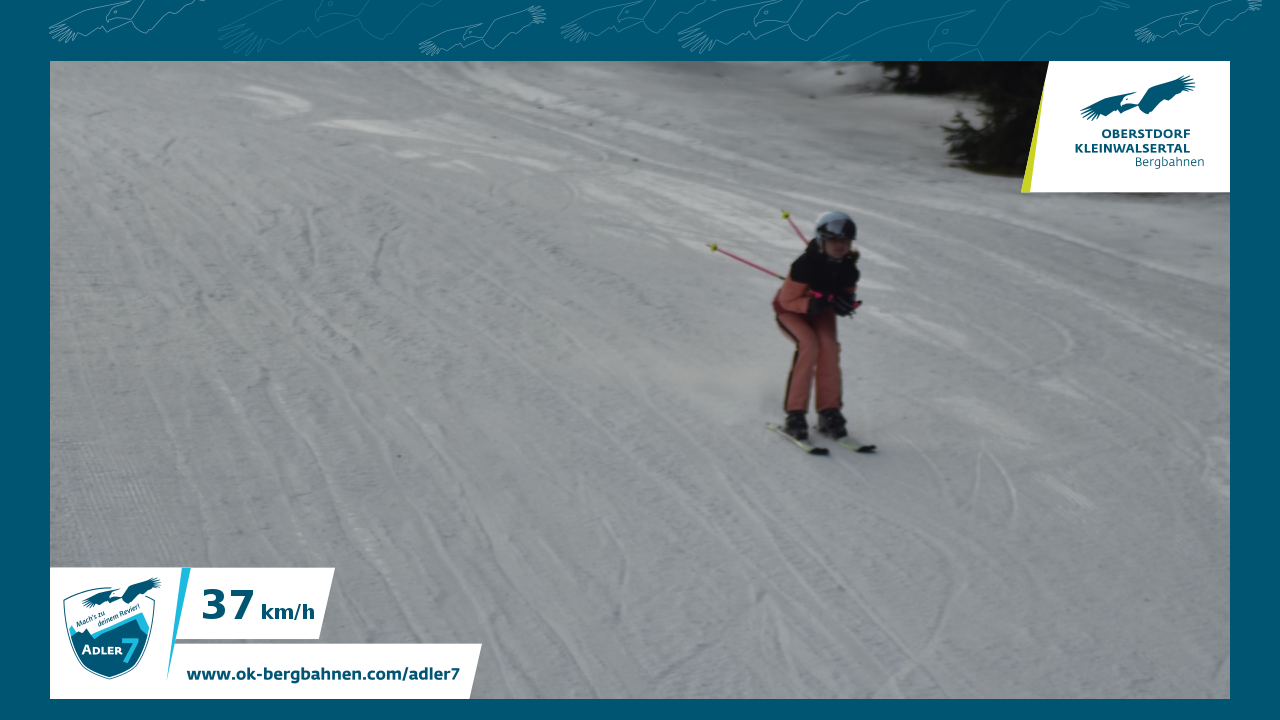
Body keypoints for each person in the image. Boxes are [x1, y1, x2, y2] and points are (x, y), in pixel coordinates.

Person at [773, 211, 860, 440]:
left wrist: (844, 304)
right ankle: (795, 413)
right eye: (834, 240)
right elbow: (786, 301)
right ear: (822, 240)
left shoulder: (849, 269)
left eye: (845, 241)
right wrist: (812, 304)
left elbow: (847, 295)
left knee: (829, 347)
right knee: (809, 345)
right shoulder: (805, 265)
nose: (840, 246)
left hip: (821, 312)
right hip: (791, 312)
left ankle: (829, 412)